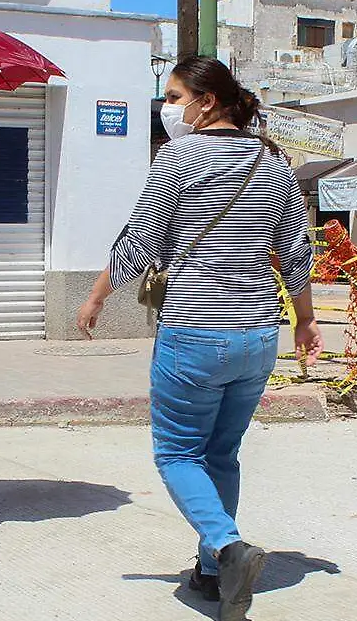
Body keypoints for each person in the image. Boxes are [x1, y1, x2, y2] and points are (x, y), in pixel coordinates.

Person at [76, 56, 323, 621]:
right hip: (258, 334)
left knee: (177, 452)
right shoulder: (273, 161)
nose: (170, 107)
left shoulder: (177, 158)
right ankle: (213, 575)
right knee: (222, 452)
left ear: (206, 101)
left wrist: (94, 298)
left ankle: (228, 547)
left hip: (195, 329)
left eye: (174, 94)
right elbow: (294, 253)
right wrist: (306, 320)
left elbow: (141, 241)